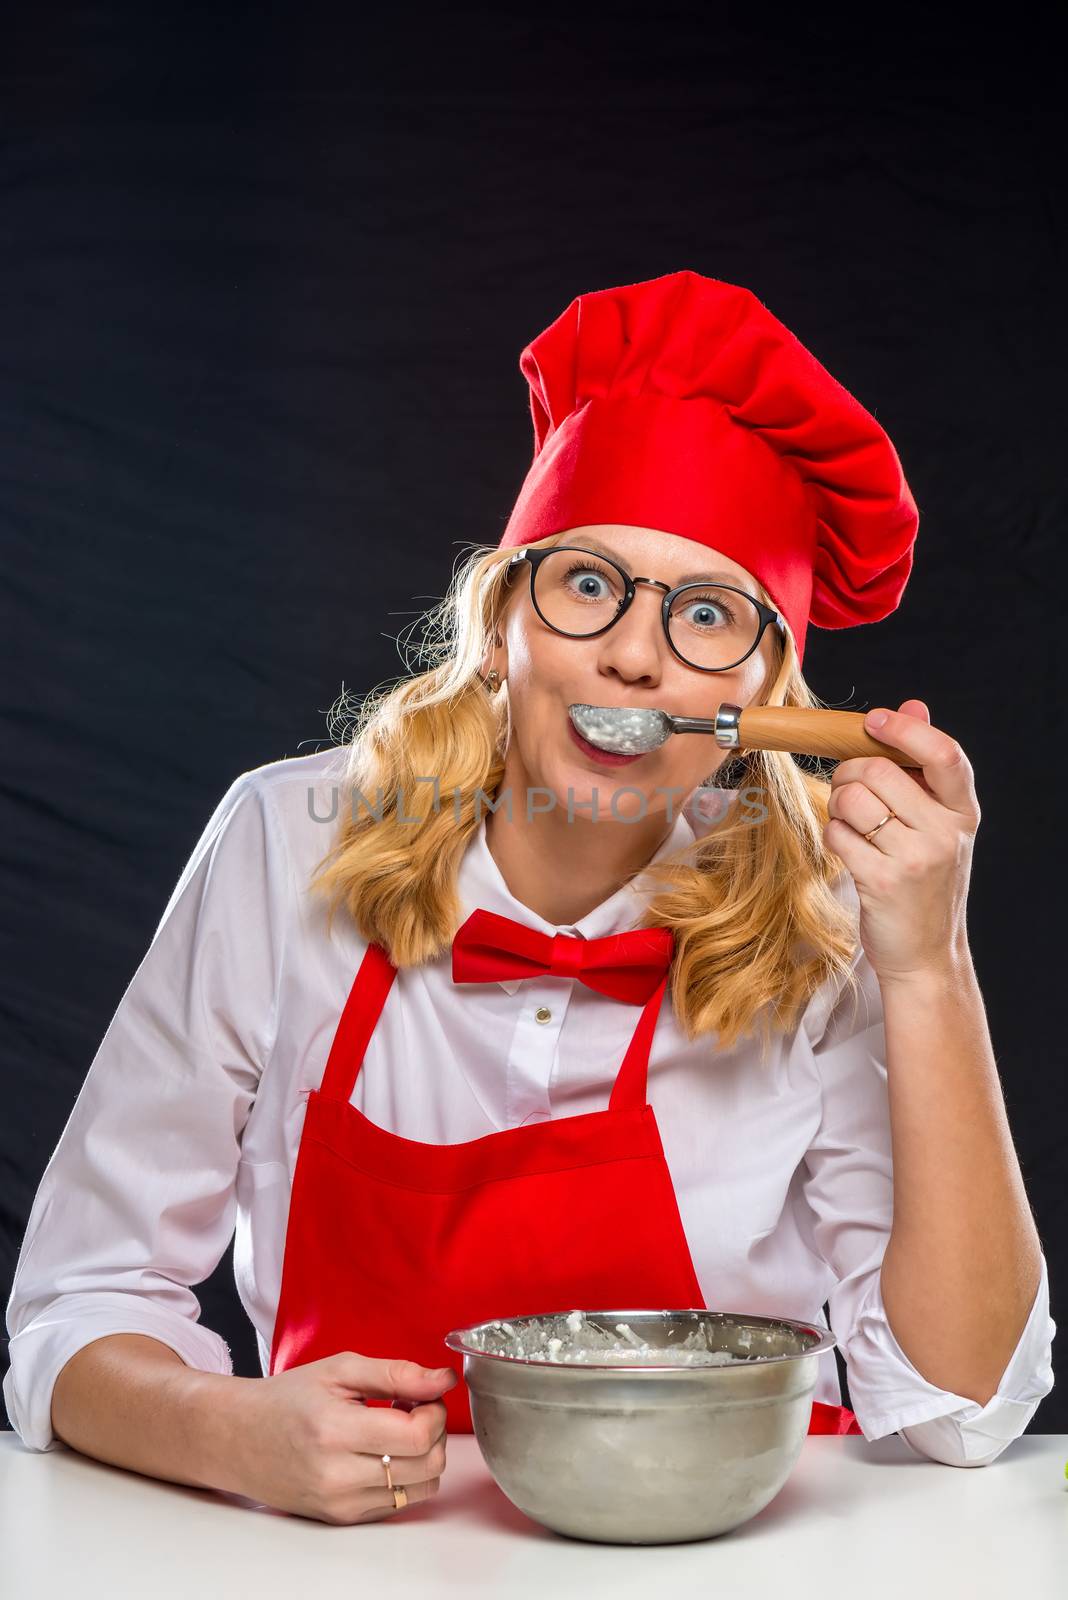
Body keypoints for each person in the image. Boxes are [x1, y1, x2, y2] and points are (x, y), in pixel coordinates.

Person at [4, 271, 1055, 1526]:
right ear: (504, 614)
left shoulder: (829, 920)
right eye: (589, 584)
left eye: (708, 614)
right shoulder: (288, 842)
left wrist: (928, 967)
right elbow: (75, 1305)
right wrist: (226, 1433)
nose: (633, 652)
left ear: (766, 694)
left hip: (739, 1556)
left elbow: (964, 1405)